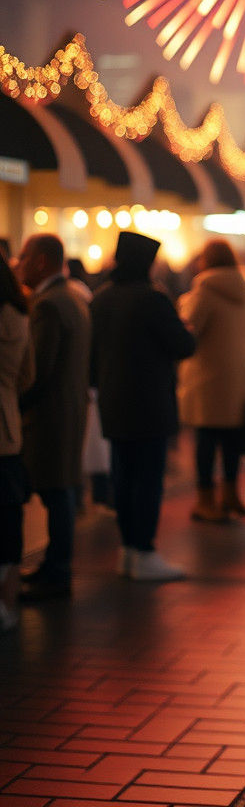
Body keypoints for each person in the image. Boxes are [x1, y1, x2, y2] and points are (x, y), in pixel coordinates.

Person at [91, 231, 196, 580]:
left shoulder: (101, 298)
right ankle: (145, 551)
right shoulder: (153, 299)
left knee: (122, 475)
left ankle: (128, 549)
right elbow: (183, 346)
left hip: (112, 399)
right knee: (149, 479)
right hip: (149, 402)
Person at [16, 233, 91, 603]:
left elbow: (37, 370)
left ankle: (57, 571)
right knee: (59, 490)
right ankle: (54, 567)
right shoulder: (72, 298)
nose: (19, 262)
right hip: (67, 409)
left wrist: (17, 404)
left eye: (25, 255)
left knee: (57, 492)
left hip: (49, 416)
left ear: (42, 260)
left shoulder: (47, 305)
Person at [177, 239, 245, 522]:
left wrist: (184, 302)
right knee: (232, 439)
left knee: (206, 441)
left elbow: (190, 328)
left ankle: (205, 500)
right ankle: (232, 494)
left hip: (207, 377)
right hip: (238, 372)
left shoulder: (205, 289)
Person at [0, 249, 34, 628]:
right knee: (9, 517)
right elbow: (28, 375)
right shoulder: (20, 316)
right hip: (7, 431)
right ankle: (7, 600)